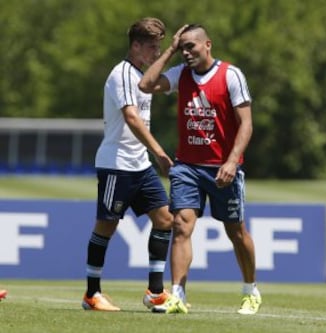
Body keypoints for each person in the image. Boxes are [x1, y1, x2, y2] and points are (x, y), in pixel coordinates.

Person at [139, 23, 262, 315]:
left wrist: (232, 161)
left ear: (208, 45)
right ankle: (178, 294)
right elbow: (146, 85)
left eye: (190, 46)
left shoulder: (231, 75)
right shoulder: (180, 73)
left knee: (236, 231)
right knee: (181, 225)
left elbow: (246, 123)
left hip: (223, 169)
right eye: (182, 47)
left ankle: (250, 290)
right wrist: (169, 49)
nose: (186, 52)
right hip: (187, 167)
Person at [82, 17, 176, 312]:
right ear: (135, 45)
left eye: (158, 47)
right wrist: (160, 152)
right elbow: (132, 118)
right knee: (106, 225)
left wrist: (172, 52)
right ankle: (92, 294)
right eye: (151, 47)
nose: (154, 52)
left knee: (165, 219)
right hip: (117, 163)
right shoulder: (122, 74)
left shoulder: (142, 75)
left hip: (139, 165)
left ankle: (155, 292)